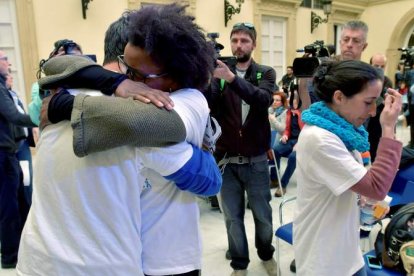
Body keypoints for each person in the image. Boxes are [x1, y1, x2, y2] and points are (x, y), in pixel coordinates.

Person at [18, 4, 221, 276]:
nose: (129, 78)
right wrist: (113, 83)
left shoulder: (180, 104)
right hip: (90, 262)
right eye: (124, 68)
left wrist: (63, 105)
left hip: (162, 258)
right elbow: (57, 65)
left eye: (138, 75)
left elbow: (205, 177)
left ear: (175, 76)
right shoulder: (113, 96)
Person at [293, 60, 402, 276]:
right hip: (324, 261)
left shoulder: (343, 131)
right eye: (368, 102)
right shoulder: (320, 139)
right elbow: (377, 186)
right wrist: (388, 127)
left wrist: (364, 199)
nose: (373, 112)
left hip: (345, 251)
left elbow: (360, 184)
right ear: (339, 97)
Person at [206, 22, 277, 276]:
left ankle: (266, 252)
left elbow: (263, 101)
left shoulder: (266, 73)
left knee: (263, 216)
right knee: (232, 219)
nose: (238, 45)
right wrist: (206, 73)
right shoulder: (219, 75)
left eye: (244, 40)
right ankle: (239, 264)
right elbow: (208, 104)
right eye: (234, 40)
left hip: (257, 160)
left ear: (254, 44)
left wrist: (232, 78)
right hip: (226, 160)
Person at [0, 50, 36, 269]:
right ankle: (10, 256)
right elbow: (13, 116)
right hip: (4, 155)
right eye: (4, 59)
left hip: (7, 153)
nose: (8, 62)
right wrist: (41, 118)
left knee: (16, 203)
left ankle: (14, 251)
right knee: (10, 207)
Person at [298, 20, 369, 110]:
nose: (349, 45)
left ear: (364, 46)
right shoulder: (324, 71)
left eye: (356, 41)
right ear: (340, 42)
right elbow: (306, 110)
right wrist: (303, 80)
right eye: (346, 40)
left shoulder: (370, 77)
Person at [28, 39, 83, 127]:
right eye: (65, 59)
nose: (71, 64)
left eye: (76, 59)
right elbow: (35, 117)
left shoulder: (88, 82)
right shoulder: (40, 87)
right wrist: (52, 76)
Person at [4, 70, 34, 207]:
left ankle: (28, 209)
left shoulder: (14, 95)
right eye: (8, 76)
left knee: (27, 179)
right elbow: (16, 117)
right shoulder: (4, 96)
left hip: (24, 141)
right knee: (19, 182)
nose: (11, 78)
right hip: (14, 143)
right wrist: (39, 120)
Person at [272, 94, 303, 197]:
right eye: (291, 102)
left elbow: (307, 132)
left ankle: (283, 185)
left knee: (293, 157)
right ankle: (274, 179)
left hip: (302, 142)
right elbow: (287, 129)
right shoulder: (289, 112)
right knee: (274, 150)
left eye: (295, 102)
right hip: (290, 140)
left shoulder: (304, 114)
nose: (293, 104)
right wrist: (285, 135)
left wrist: (299, 143)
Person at [366, 53, 394, 161]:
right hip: (365, 118)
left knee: (376, 145)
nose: (379, 69)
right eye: (376, 66)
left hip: (380, 120)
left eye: (382, 66)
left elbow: (388, 100)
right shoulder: (365, 79)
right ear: (370, 65)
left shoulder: (387, 81)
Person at [268, 91, 288, 188]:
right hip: (268, 135)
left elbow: (282, 129)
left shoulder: (285, 112)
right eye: (273, 100)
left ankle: (274, 179)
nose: (274, 102)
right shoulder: (269, 110)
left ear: (282, 102)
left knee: (273, 150)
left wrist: (273, 120)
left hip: (280, 138)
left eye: (277, 100)